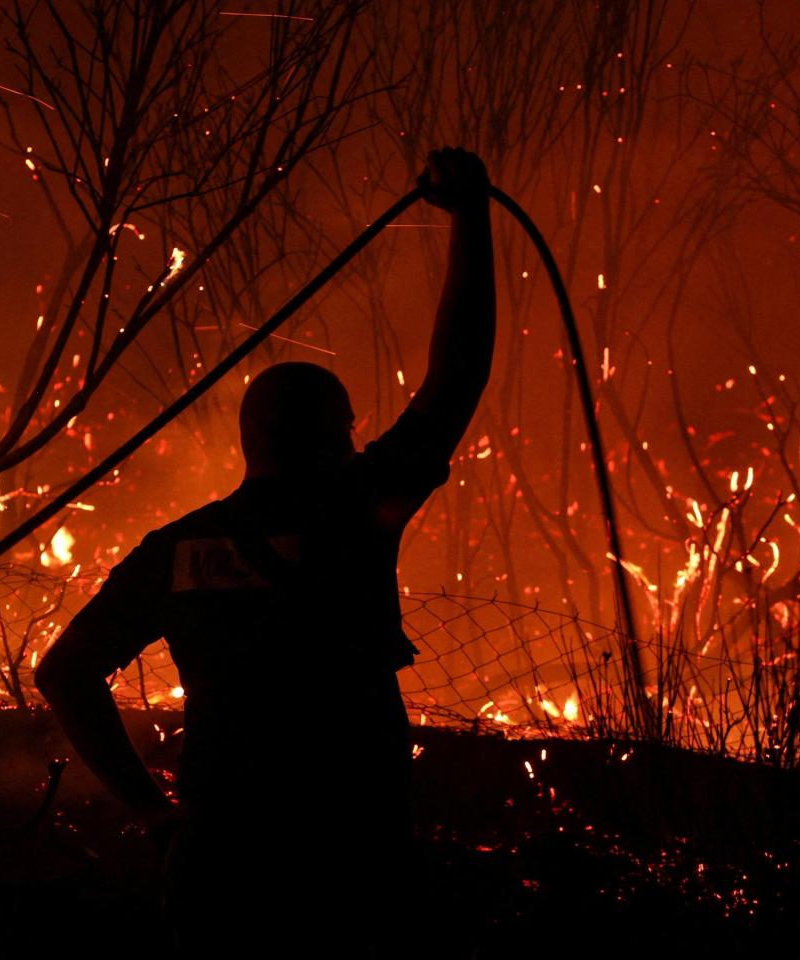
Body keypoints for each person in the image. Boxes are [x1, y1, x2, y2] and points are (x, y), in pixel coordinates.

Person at [34, 148, 496, 956]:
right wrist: (472, 217)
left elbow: (63, 673)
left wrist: (149, 811)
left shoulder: (176, 549)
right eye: (350, 428)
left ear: (252, 442)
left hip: (220, 853)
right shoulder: (356, 511)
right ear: (340, 434)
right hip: (351, 854)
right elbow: (453, 379)